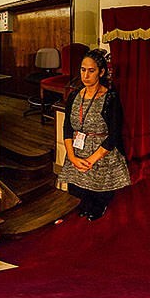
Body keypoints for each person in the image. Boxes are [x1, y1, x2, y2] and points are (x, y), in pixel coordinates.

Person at [58, 49, 130, 221]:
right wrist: (72, 157)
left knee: (97, 194)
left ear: (101, 72)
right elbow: (67, 127)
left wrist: (91, 160)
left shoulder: (110, 97)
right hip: (77, 150)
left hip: (101, 153)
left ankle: (99, 206)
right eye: (83, 70)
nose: (86, 75)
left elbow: (113, 135)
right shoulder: (74, 95)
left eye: (91, 71)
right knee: (77, 194)